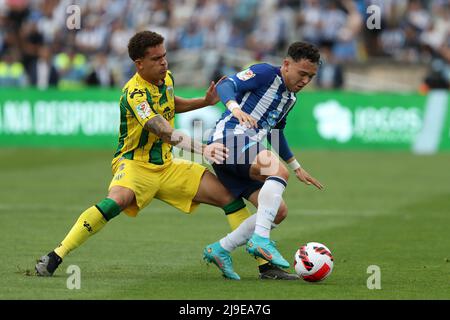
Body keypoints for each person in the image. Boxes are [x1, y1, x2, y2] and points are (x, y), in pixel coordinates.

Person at [34, 31, 257, 278]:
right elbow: (162, 130)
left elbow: (172, 103)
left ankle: (263, 266)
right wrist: (204, 149)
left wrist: (203, 102)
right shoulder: (134, 94)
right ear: (139, 64)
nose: (164, 63)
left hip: (167, 166)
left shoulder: (166, 78)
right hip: (135, 165)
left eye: (164, 56)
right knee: (116, 201)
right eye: (156, 59)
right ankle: (56, 255)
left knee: (229, 197)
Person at [202, 41, 324, 280]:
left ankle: (220, 250)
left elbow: (275, 133)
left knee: (278, 211)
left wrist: (297, 167)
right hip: (228, 139)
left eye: (311, 76)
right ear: (286, 65)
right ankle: (261, 240)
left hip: (244, 153)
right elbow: (227, 84)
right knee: (276, 170)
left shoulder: (290, 99)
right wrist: (234, 108)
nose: (305, 81)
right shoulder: (265, 73)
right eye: (302, 74)